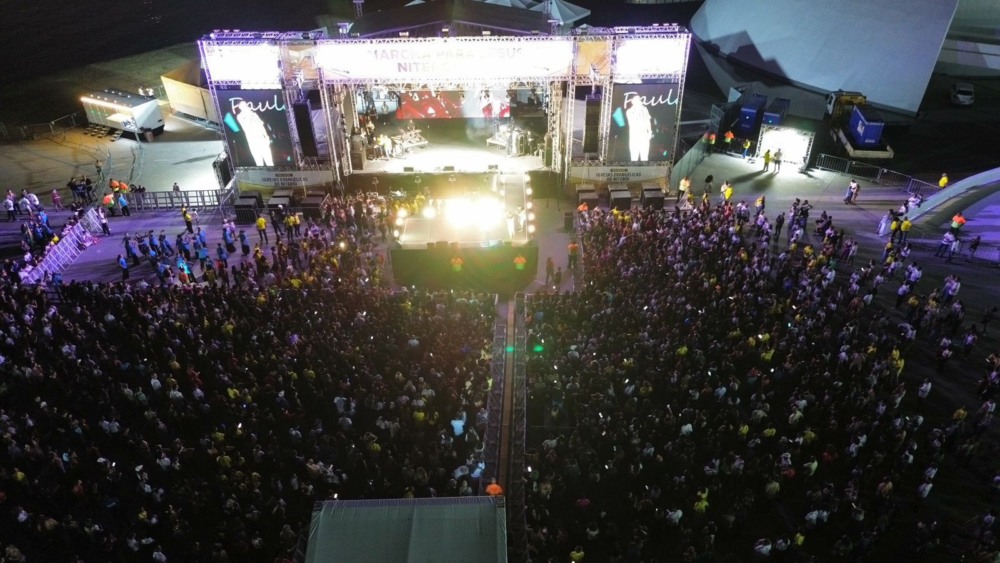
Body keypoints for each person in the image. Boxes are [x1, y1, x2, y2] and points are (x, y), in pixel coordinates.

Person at [235, 100, 275, 166]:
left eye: (245, 104)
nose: (245, 106)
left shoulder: (254, 114)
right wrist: (248, 113)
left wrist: (266, 136)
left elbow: (261, 126)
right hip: (253, 142)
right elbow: (246, 126)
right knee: (259, 163)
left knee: (270, 162)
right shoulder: (240, 116)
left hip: (263, 140)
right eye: (243, 105)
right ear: (240, 107)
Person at [625, 93, 652, 161]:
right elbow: (632, 122)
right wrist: (638, 109)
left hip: (645, 137)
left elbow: (648, 121)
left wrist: (650, 132)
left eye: (639, 99)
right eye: (637, 99)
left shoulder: (644, 109)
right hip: (635, 138)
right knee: (634, 158)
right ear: (632, 101)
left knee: (645, 158)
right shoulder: (629, 111)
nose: (639, 101)